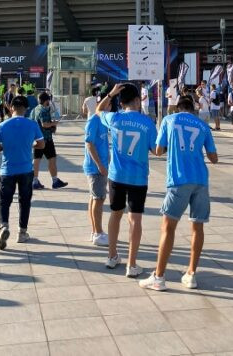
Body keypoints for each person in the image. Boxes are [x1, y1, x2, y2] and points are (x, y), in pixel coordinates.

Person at [139, 97, 218, 291]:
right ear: (193, 109)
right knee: (197, 227)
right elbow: (214, 158)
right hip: (200, 180)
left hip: (178, 179)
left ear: (177, 107)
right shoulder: (203, 125)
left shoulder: (169, 120)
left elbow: (158, 150)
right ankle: (191, 274)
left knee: (168, 227)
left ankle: (159, 276)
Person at [96, 83, 158, 277]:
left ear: (120, 102)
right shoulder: (147, 122)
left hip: (116, 175)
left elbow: (98, 110)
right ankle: (132, 264)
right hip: (138, 178)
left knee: (115, 214)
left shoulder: (114, 118)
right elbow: (156, 150)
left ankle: (112, 255)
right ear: (138, 100)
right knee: (135, 218)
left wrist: (110, 94)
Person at [0, 96, 45, 248]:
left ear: (11, 107)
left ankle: (4, 226)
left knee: (4, 201)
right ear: (27, 108)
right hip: (26, 169)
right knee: (25, 201)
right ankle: (22, 232)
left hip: (7, 170)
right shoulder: (32, 124)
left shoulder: (2, 126)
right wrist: (30, 144)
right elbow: (41, 145)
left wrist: (6, 146)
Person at [83, 93, 111, 247]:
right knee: (98, 199)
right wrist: (100, 165)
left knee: (95, 198)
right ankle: (98, 233)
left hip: (100, 166)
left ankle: (95, 231)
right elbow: (89, 144)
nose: (110, 107)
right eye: (109, 104)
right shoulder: (94, 120)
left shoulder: (103, 121)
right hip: (95, 167)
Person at [30, 92, 68, 190]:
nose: (49, 103)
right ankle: (55, 181)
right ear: (46, 101)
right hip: (46, 139)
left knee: (37, 160)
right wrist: (53, 124)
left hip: (37, 138)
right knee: (52, 159)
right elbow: (44, 124)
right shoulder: (43, 110)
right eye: (48, 101)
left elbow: (32, 121)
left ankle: (34, 181)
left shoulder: (35, 109)